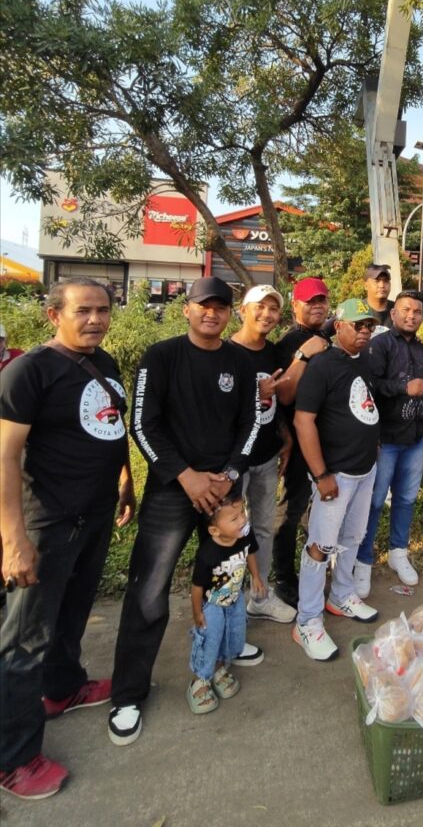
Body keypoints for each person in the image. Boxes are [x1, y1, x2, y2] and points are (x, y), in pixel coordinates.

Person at [108, 276, 261, 747]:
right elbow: (141, 423)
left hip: (225, 489)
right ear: (186, 310)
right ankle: (128, 694)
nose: (211, 313)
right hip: (174, 488)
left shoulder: (241, 361)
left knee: (226, 577)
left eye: (220, 306)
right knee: (149, 590)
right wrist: (185, 476)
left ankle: (221, 654)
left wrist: (230, 473)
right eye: (203, 305)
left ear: (229, 314)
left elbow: (252, 421)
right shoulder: (162, 357)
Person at [0, 277, 134, 800]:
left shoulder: (105, 364)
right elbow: (6, 457)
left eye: (103, 310)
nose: (96, 319)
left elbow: (111, 425)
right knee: (23, 640)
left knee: (72, 613)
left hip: (94, 514)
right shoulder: (27, 371)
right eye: (84, 311)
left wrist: (125, 481)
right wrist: (12, 538)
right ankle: (14, 758)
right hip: (45, 522)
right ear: (54, 314)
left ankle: (63, 689)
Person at [291, 300, 380, 660]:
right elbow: (303, 420)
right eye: (357, 325)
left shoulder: (366, 362)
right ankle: (307, 620)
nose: (363, 331)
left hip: (365, 470)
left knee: (352, 537)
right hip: (336, 474)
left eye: (369, 326)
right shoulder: (323, 364)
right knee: (320, 546)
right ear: (338, 325)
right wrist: (321, 474)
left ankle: (341, 595)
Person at [353, 290, 423, 596]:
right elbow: (369, 386)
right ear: (394, 314)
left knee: (407, 499)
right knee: (373, 501)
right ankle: (363, 559)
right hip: (386, 437)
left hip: (415, 436)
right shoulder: (380, 344)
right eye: (406, 310)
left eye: (418, 311)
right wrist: (403, 387)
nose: (412, 315)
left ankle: (398, 551)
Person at [229, 284, 295, 623]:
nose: (267, 314)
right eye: (260, 307)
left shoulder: (273, 352)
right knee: (231, 530)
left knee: (264, 527)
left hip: (267, 457)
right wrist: (256, 392)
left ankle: (259, 595)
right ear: (243, 310)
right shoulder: (225, 352)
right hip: (232, 462)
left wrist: (285, 435)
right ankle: (228, 601)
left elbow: (278, 403)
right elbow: (219, 409)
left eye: (273, 309)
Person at [269, 276, 331, 607]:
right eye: (310, 301)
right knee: (290, 508)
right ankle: (282, 576)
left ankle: (313, 569)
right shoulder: (290, 342)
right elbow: (284, 394)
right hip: (295, 438)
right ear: (296, 307)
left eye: (321, 300)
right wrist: (304, 356)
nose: (317, 306)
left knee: (316, 508)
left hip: (324, 438)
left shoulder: (327, 336)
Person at [188, 496, 264, 713]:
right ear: (214, 530)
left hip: (235, 599)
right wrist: (197, 613)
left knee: (232, 633)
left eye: (242, 514)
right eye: (234, 518)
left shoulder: (243, 536)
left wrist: (256, 576)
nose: (242, 520)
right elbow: (196, 587)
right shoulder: (208, 554)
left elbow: (250, 553)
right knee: (210, 639)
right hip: (212, 605)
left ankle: (220, 668)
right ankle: (200, 680)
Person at [363, 263, 394, 331]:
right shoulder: (357, 310)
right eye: (376, 281)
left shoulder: (397, 310)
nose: (382, 285)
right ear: (366, 285)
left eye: (386, 281)